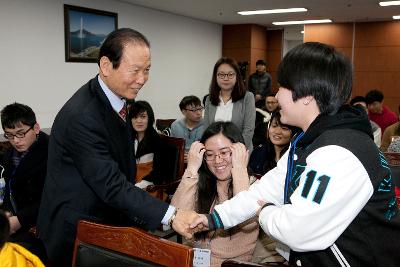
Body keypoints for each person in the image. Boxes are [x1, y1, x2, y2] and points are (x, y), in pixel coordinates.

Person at [192, 42, 400, 266]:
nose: (277, 96)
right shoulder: (307, 140)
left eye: (282, 87)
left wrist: (264, 211)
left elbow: (298, 231)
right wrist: (211, 219)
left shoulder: (339, 152)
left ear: (307, 95)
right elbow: (265, 189)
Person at [36, 28, 199, 266]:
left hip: (108, 220)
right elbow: (111, 184)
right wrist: (171, 215)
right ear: (105, 65)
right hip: (78, 232)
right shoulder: (82, 116)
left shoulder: (116, 100)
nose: (142, 79)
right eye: (134, 70)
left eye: (147, 70)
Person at [171, 121, 258, 267]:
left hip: (233, 264)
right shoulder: (202, 182)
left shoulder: (254, 186)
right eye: (210, 155)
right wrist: (192, 168)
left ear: (240, 152)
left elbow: (246, 222)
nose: (217, 161)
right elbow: (178, 217)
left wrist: (239, 169)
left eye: (224, 153)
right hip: (194, 260)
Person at [0, 103, 48, 262]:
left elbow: (51, 197)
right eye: (9, 135)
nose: (15, 141)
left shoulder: (52, 152)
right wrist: (5, 215)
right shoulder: (9, 155)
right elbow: (9, 189)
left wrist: (19, 220)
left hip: (42, 228)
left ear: (36, 128)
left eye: (21, 133)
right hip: (15, 224)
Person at [203, 57, 255, 151]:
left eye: (230, 74)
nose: (226, 78)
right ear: (216, 77)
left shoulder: (247, 97)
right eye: (221, 75)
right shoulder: (209, 99)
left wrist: (235, 152)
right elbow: (206, 130)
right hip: (215, 153)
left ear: (237, 76)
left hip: (240, 151)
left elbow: (249, 130)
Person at [129, 100, 169, 189]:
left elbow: (159, 172)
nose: (138, 121)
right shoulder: (127, 139)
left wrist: (139, 185)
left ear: (149, 119)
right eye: (135, 117)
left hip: (149, 186)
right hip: (129, 184)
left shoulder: (158, 141)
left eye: (143, 117)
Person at [249, 108, 299, 175]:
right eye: (274, 126)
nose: (277, 132)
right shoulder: (258, 153)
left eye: (284, 128)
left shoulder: (297, 158)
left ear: (294, 132)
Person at [170, 95, 204, 161]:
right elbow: (173, 147)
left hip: (201, 160)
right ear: (184, 112)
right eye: (194, 110)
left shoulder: (207, 125)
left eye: (200, 109)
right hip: (180, 160)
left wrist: (194, 157)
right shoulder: (176, 125)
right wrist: (180, 156)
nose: (199, 113)